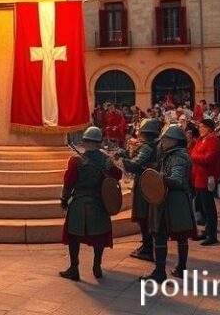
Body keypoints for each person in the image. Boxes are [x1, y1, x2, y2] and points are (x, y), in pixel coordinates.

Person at [59, 126, 123, 281]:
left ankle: (74, 268)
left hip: (79, 203)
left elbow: (69, 183)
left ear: (85, 142)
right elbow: (118, 175)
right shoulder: (106, 160)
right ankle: (97, 266)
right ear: (99, 142)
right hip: (98, 203)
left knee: (73, 236)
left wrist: (64, 199)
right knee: (99, 237)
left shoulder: (76, 160)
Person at [142, 125, 197, 283]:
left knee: (162, 235)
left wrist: (158, 178)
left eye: (165, 139)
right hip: (175, 199)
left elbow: (177, 180)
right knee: (180, 237)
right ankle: (178, 269)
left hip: (172, 200)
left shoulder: (177, 157)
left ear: (174, 141)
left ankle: (162, 272)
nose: (163, 142)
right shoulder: (172, 154)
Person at [116, 118, 160, 262]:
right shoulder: (155, 145)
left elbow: (135, 164)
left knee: (143, 215)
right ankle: (146, 245)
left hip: (143, 182)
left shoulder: (147, 147)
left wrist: (123, 161)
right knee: (145, 216)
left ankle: (147, 247)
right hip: (149, 181)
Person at [190, 119, 220, 246]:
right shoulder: (201, 140)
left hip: (207, 178)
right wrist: (196, 156)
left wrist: (194, 157)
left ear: (209, 128)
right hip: (198, 177)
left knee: (209, 208)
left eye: (202, 127)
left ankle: (212, 235)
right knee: (202, 206)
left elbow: (207, 159)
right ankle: (207, 231)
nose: (200, 129)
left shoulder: (214, 141)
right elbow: (194, 152)